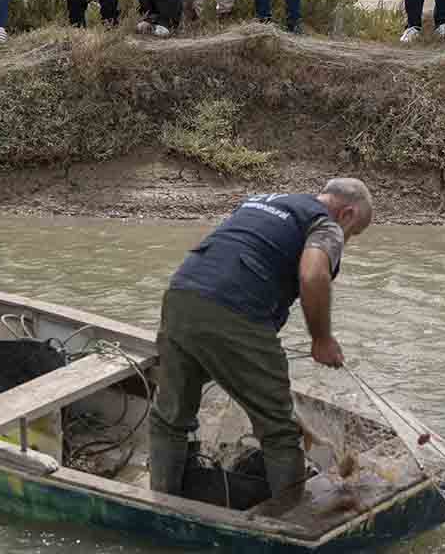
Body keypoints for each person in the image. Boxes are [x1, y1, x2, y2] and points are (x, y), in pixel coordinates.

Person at [149, 179, 375, 500]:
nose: (347, 240)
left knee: (170, 416)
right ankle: (291, 520)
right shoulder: (327, 226)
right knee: (280, 432)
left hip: (181, 296)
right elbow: (313, 274)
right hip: (235, 313)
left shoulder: (265, 201)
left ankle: (162, 500)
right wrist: (322, 339)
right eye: (354, 233)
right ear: (348, 214)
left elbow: (242, 253)